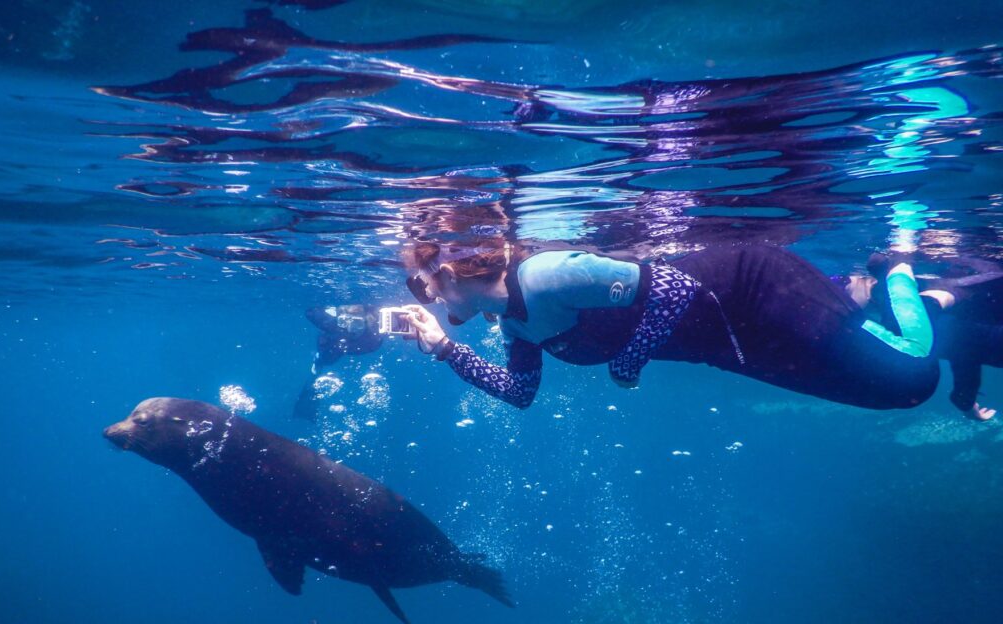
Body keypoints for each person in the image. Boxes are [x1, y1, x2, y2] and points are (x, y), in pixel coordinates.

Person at [400, 237, 945, 411]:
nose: (423, 297)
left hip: (749, 286)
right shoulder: (514, 325)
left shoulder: (544, 275)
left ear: (446, 272)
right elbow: (520, 393)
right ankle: (860, 300)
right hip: (725, 342)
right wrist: (445, 348)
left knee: (913, 375)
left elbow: (674, 288)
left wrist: (627, 364)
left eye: (418, 285)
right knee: (888, 396)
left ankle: (898, 271)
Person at [835, 255, 1003, 421]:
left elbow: (966, 349)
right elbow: (965, 348)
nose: (838, 289)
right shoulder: (891, 313)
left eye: (841, 281)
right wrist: (964, 398)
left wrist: (964, 398)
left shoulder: (893, 312)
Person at [293, 304, 383, 420]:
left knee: (324, 362)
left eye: (356, 324)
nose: (350, 329)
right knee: (322, 363)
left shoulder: (374, 331)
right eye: (344, 322)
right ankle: (306, 401)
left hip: (352, 347)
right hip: (333, 344)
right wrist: (330, 311)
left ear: (367, 321)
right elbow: (310, 313)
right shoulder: (330, 324)